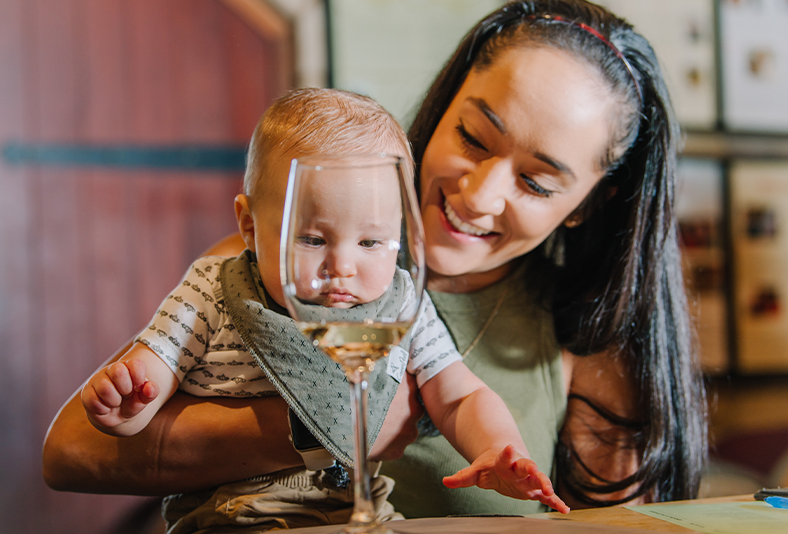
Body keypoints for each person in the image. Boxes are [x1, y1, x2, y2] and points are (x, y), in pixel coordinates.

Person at [43, 0, 707, 518]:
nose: (478, 195)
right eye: (474, 138)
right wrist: (327, 421)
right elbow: (71, 452)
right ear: (443, 111)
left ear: (590, 202)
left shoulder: (588, 336)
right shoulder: (277, 262)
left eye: (537, 182)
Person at [78, 87, 568, 531]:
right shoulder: (213, 288)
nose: (342, 267)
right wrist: (129, 399)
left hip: (362, 510)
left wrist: (498, 449)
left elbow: (459, 395)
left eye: (372, 242)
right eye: (312, 239)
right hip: (234, 515)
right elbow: (155, 367)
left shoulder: (400, 302)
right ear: (249, 225)